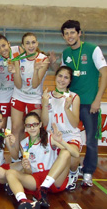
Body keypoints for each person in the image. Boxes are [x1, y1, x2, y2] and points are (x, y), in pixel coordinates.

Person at [49, 20, 107, 186]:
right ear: (63, 36)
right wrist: (54, 64)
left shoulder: (92, 49)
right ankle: (65, 167)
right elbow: (62, 75)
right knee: (64, 135)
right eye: (66, 33)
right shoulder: (66, 52)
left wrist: (98, 99)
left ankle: (87, 172)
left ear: (79, 33)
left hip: (89, 103)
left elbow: (105, 73)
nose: (69, 36)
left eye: (72, 32)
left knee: (90, 140)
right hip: (70, 102)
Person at [6, 112, 79, 208]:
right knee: (10, 173)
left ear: (40, 124)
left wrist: (61, 141)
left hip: (54, 178)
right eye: (29, 125)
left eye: (35, 124)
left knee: (65, 153)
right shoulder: (23, 144)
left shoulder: (50, 137)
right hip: (37, 178)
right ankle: (23, 201)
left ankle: (44, 188)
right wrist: (27, 168)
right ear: (25, 127)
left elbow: (76, 154)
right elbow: (29, 172)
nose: (32, 128)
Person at [10, 32, 49, 160]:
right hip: (19, 95)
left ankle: (34, 158)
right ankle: (17, 159)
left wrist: (36, 69)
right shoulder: (18, 58)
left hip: (34, 97)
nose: (31, 45)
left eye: (33, 42)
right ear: (23, 45)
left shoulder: (43, 59)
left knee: (34, 129)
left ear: (37, 44)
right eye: (27, 43)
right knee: (16, 128)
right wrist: (15, 67)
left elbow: (35, 84)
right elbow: (18, 85)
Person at [41, 66, 82, 190]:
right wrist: (44, 105)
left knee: (72, 155)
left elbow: (75, 123)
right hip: (53, 137)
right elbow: (44, 122)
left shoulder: (74, 97)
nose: (62, 80)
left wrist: (66, 108)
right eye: (60, 76)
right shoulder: (47, 96)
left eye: (66, 77)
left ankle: (74, 172)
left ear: (70, 81)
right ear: (55, 77)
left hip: (70, 136)